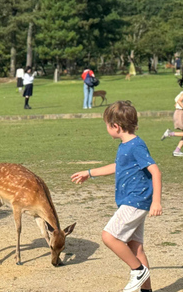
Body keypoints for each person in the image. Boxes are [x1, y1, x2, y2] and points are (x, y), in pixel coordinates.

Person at [71, 101, 162, 292]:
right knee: (136, 248)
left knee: (109, 236)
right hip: (132, 201)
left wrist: (156, 202)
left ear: (116, 126)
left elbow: (155, 171)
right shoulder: (126, 145)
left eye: (107, 125)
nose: (107, 129)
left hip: (135, 201)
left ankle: (137, 271)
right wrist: (90, 172)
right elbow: (118, 167)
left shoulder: (136, 146)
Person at [162, 71, 183, 157]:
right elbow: (179, 101)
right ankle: (170, 133)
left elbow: (176, 102)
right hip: (181, 113)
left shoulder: (181, 93)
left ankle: (177, 150)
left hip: (178, 113)